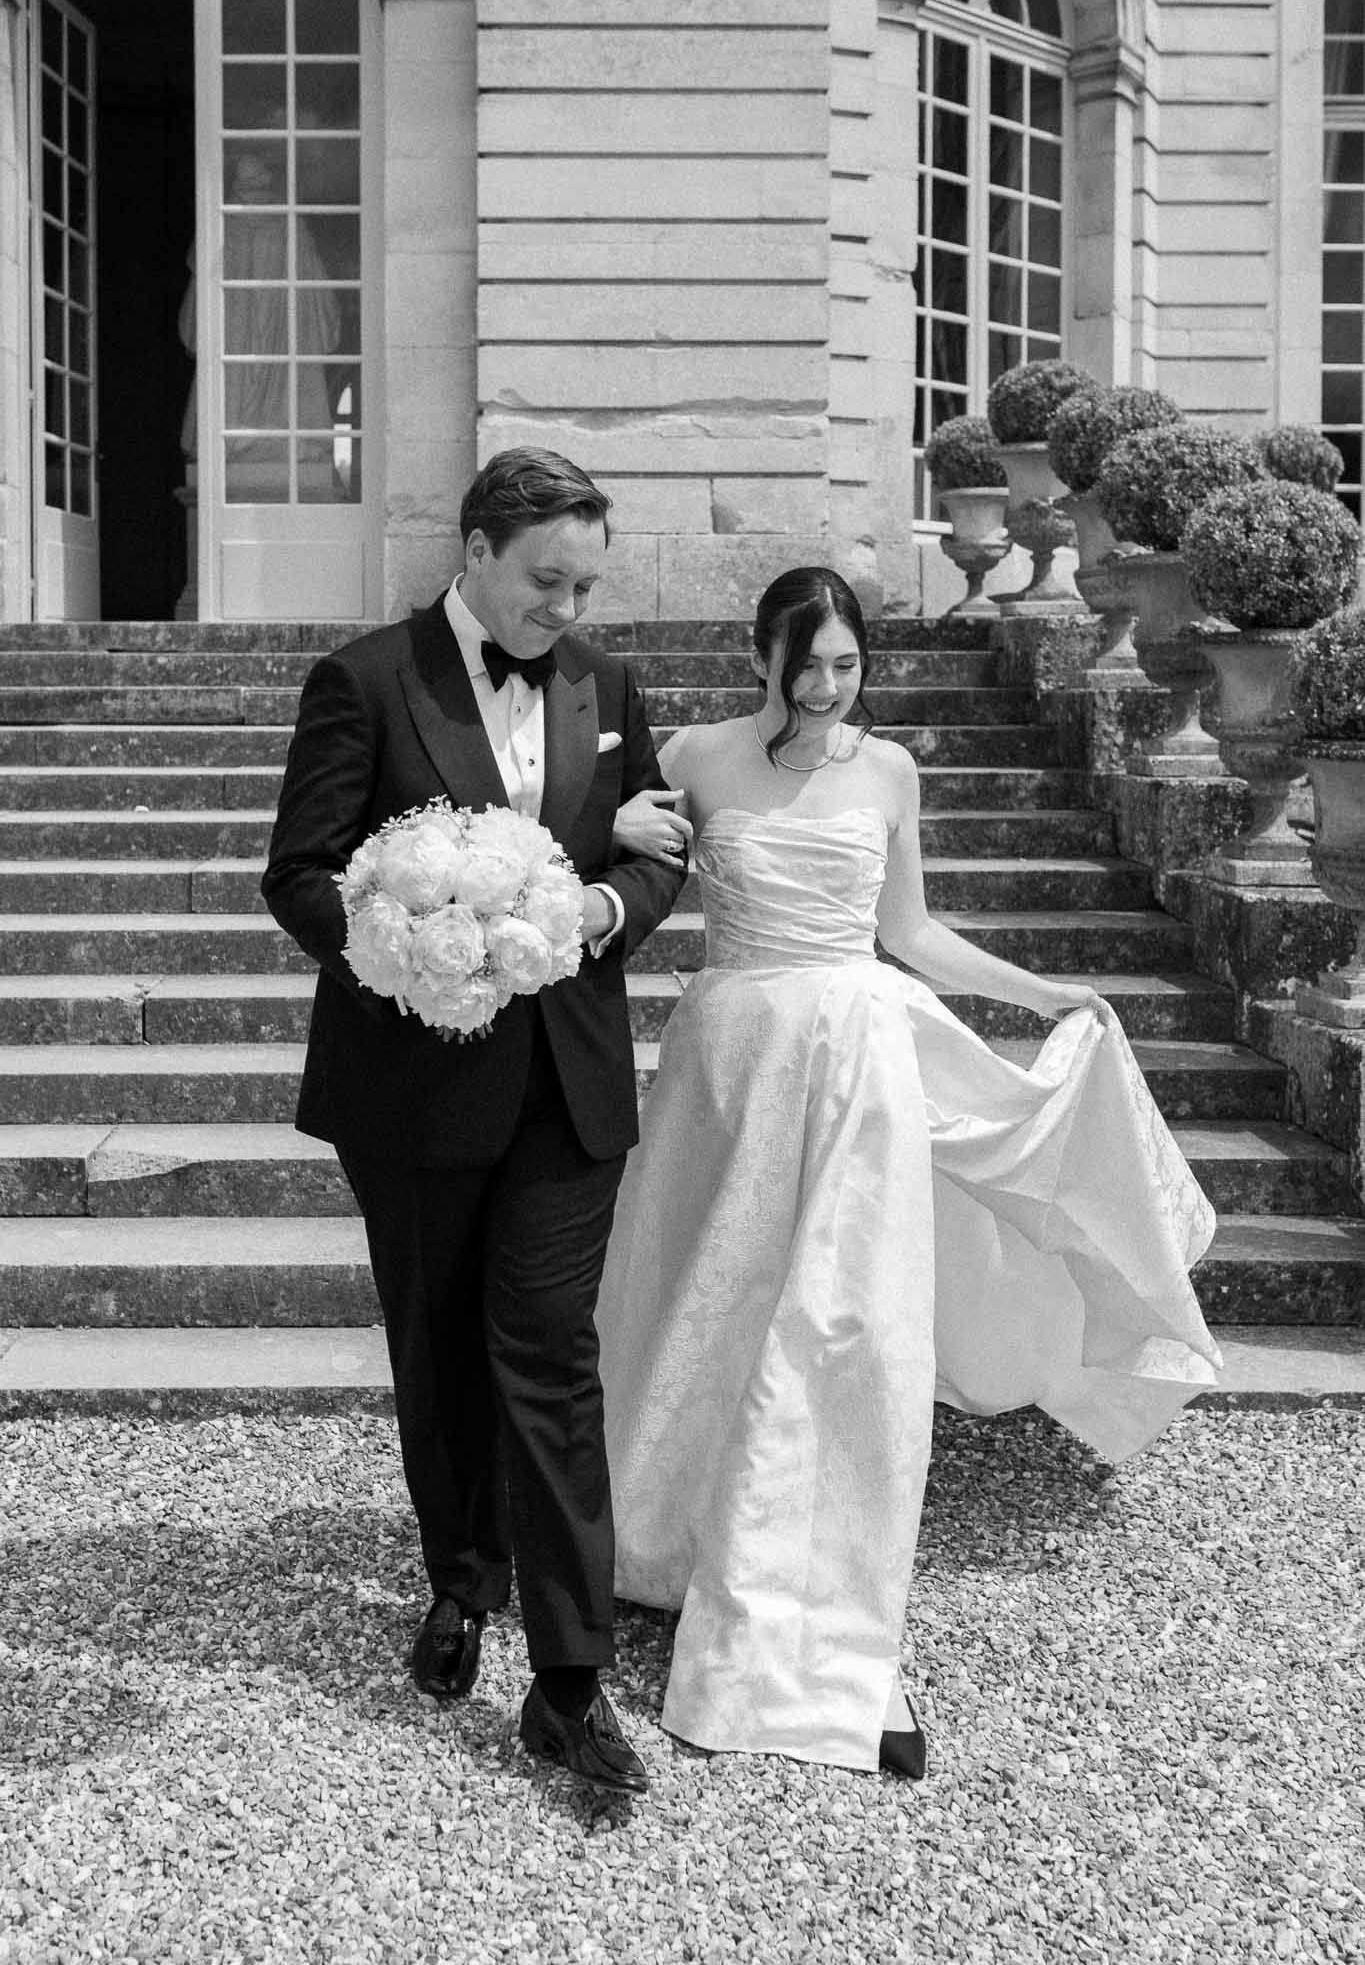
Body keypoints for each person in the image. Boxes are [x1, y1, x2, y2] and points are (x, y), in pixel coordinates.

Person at [598, 567, 1221, 1780]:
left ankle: (810, 1589)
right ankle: (657, 1545)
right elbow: (628, 878)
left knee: (838, 1319)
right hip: (730, 1060)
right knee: (698, 1297)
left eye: (845, 664)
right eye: (805, 664)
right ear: (758, 655)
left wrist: (1041, 993)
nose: (826, 687)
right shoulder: (695, 753)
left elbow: (910, 932)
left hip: (859, 1061)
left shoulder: (888, 771)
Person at [262, 447, 685, 1798]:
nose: (568, 605)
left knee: (551, 1355)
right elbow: (300, 872)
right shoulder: (365, 681)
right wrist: (399, 946)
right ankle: (461, 1579)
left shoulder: (610, 689)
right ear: (479, 553)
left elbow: (651, 848)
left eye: (586, 582)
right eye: (547, 579)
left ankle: (569, 1680)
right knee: (442, 1351)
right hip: (414, 1083)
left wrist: (605, 913)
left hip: (567, 1079)